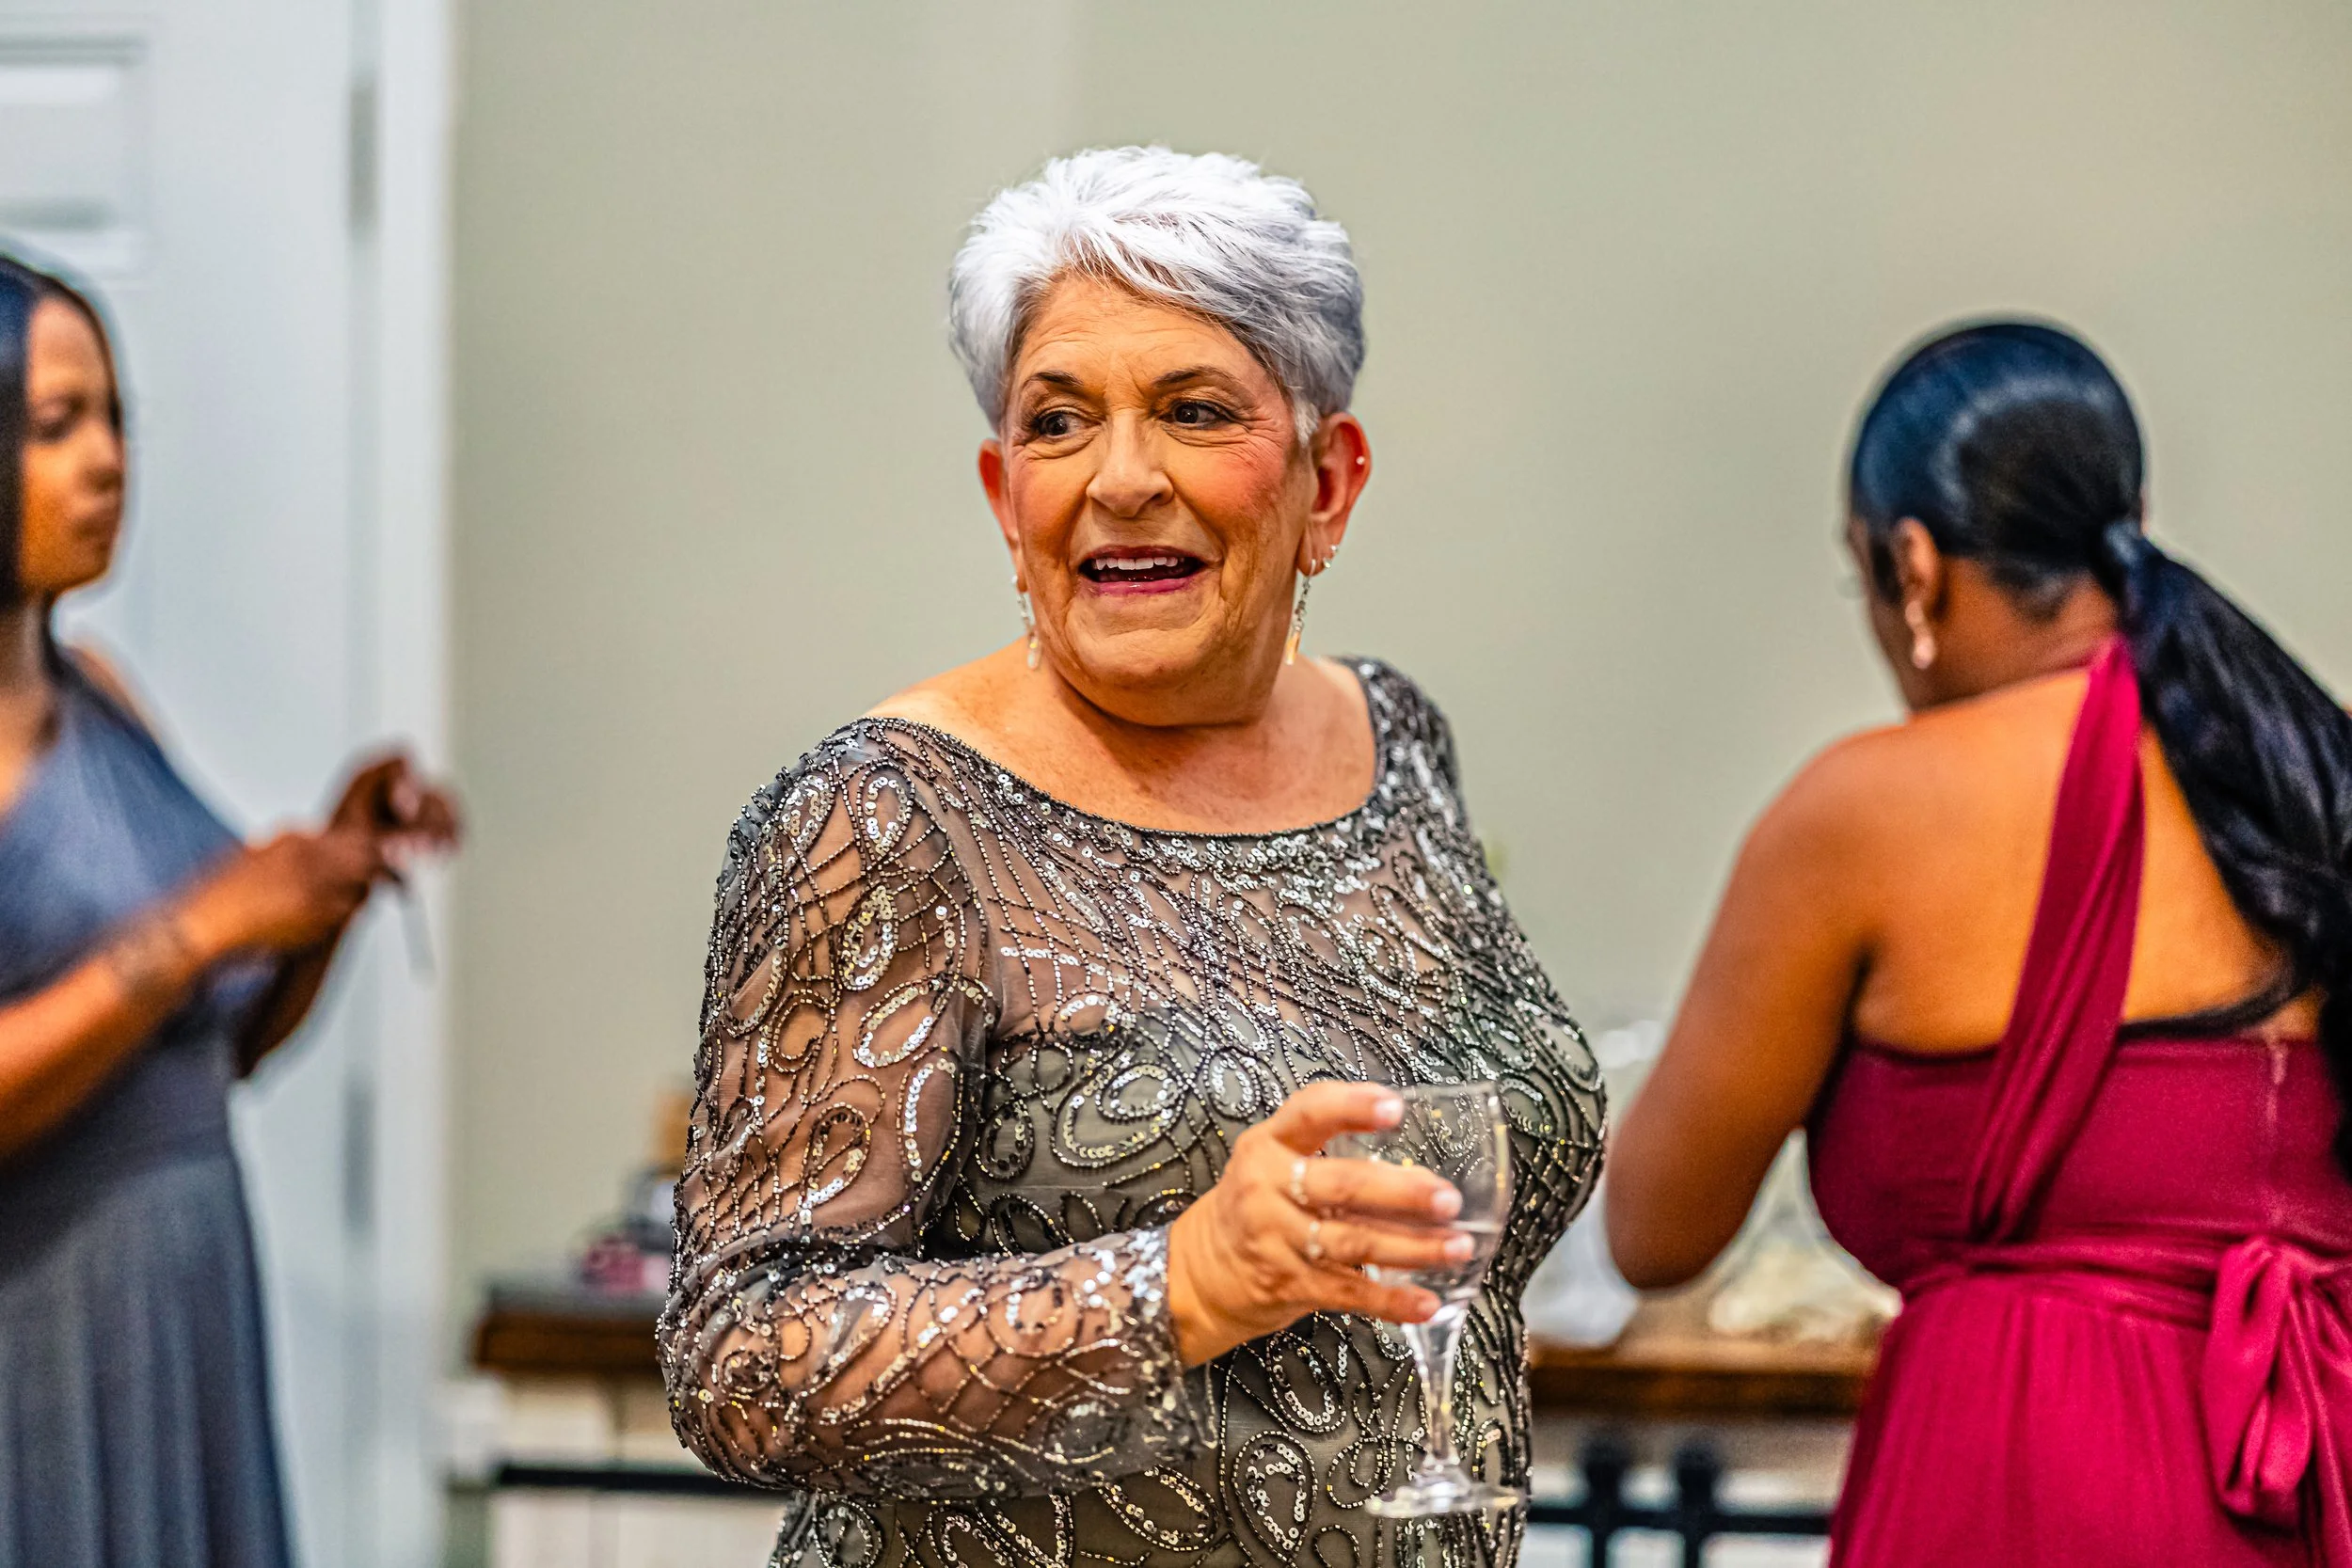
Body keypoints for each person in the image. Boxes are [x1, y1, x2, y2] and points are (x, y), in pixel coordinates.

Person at [659, 148, 1604, 1568]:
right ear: (1002, 493)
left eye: (1194, 410)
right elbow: (744, 1354)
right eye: (1059, 422)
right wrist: (1184, 1281)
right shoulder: (885, 817)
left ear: (1327, 484)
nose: (1121, 478)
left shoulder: (1396, 736)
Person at [1607, 321, 2352, 1563]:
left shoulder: (1864, 812)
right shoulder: (2301, 778)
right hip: (2304, 1467)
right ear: (2133, 514)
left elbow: (1655, 1227)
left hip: (2018, 1477)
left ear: (1912, 566)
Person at [0, 254, 459, 1566]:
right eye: (52, 426)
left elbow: (220, 1043)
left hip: (177, 1325)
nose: (106, 461)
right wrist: (202, 922)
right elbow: (181, 952)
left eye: (114, 416)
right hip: (37, 1332)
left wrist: (318, 898)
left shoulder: (99, 692)